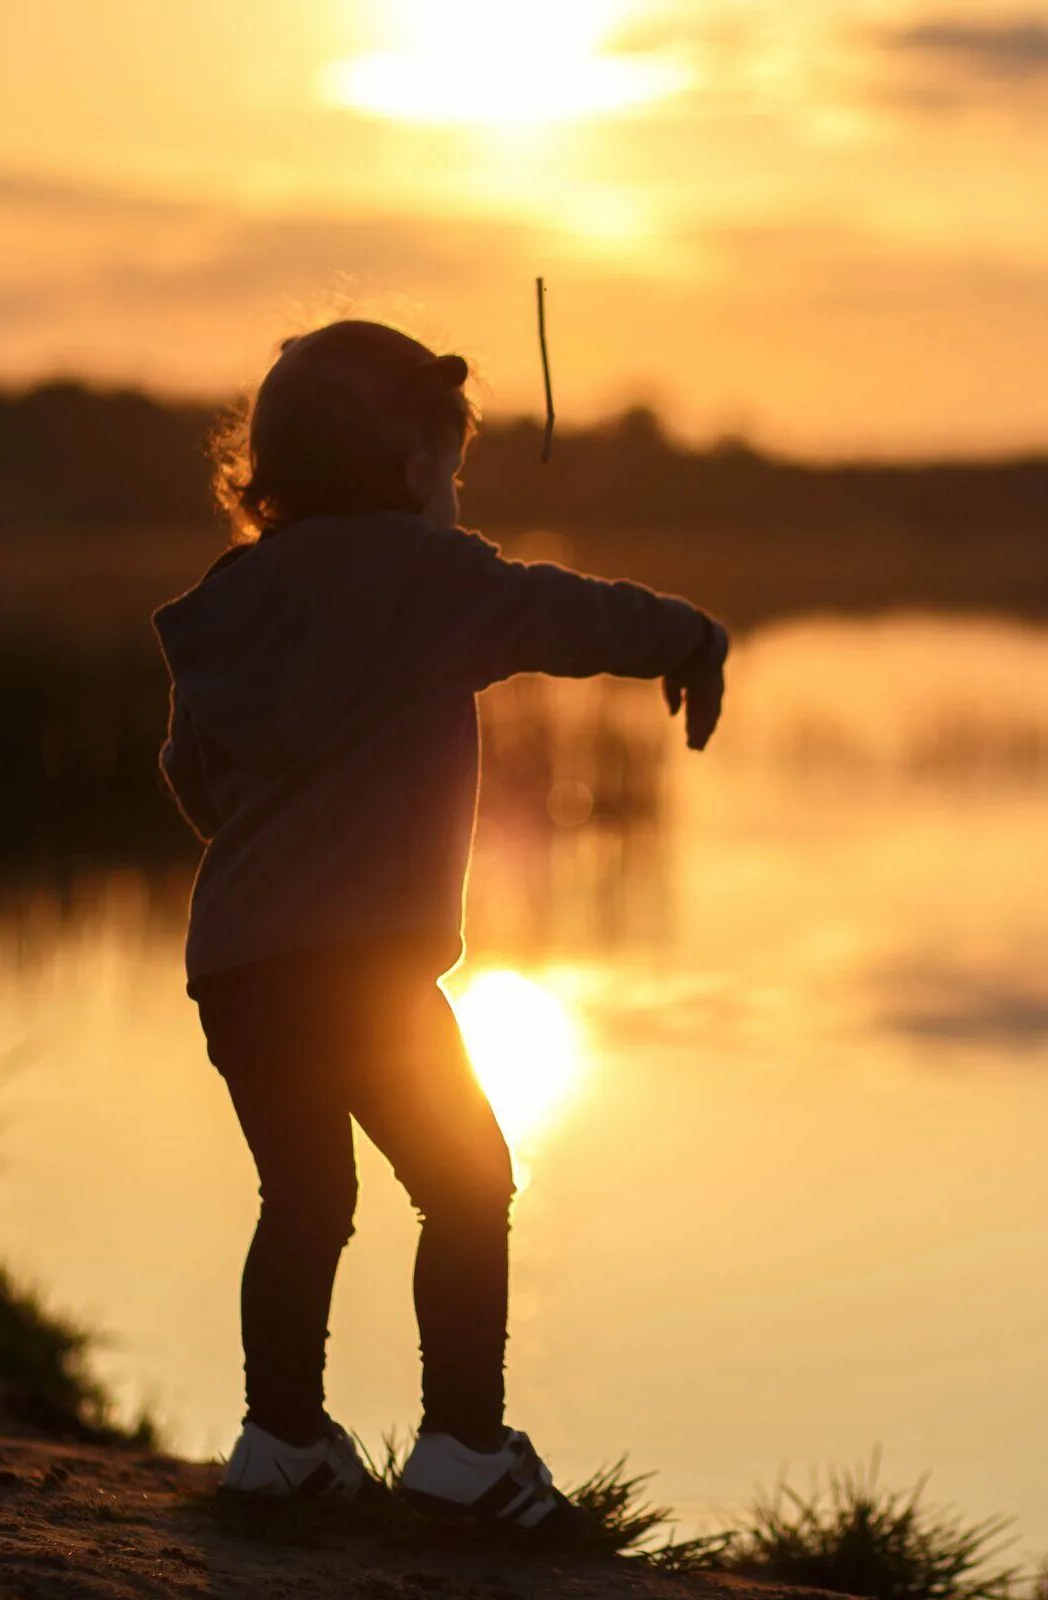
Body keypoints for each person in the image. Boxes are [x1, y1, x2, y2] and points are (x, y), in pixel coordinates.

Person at [151, 319, 728, 1529]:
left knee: (303, 1199)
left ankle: (281, 1441)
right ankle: (463, 1447)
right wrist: (686, 633)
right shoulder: (432, 582)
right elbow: (565, 614)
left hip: (239, 963)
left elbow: (193, 779)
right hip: (359, 966)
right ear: (412, 466)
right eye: (452, 470)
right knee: (468, 1183)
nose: (457, 496)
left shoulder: (229, 602)